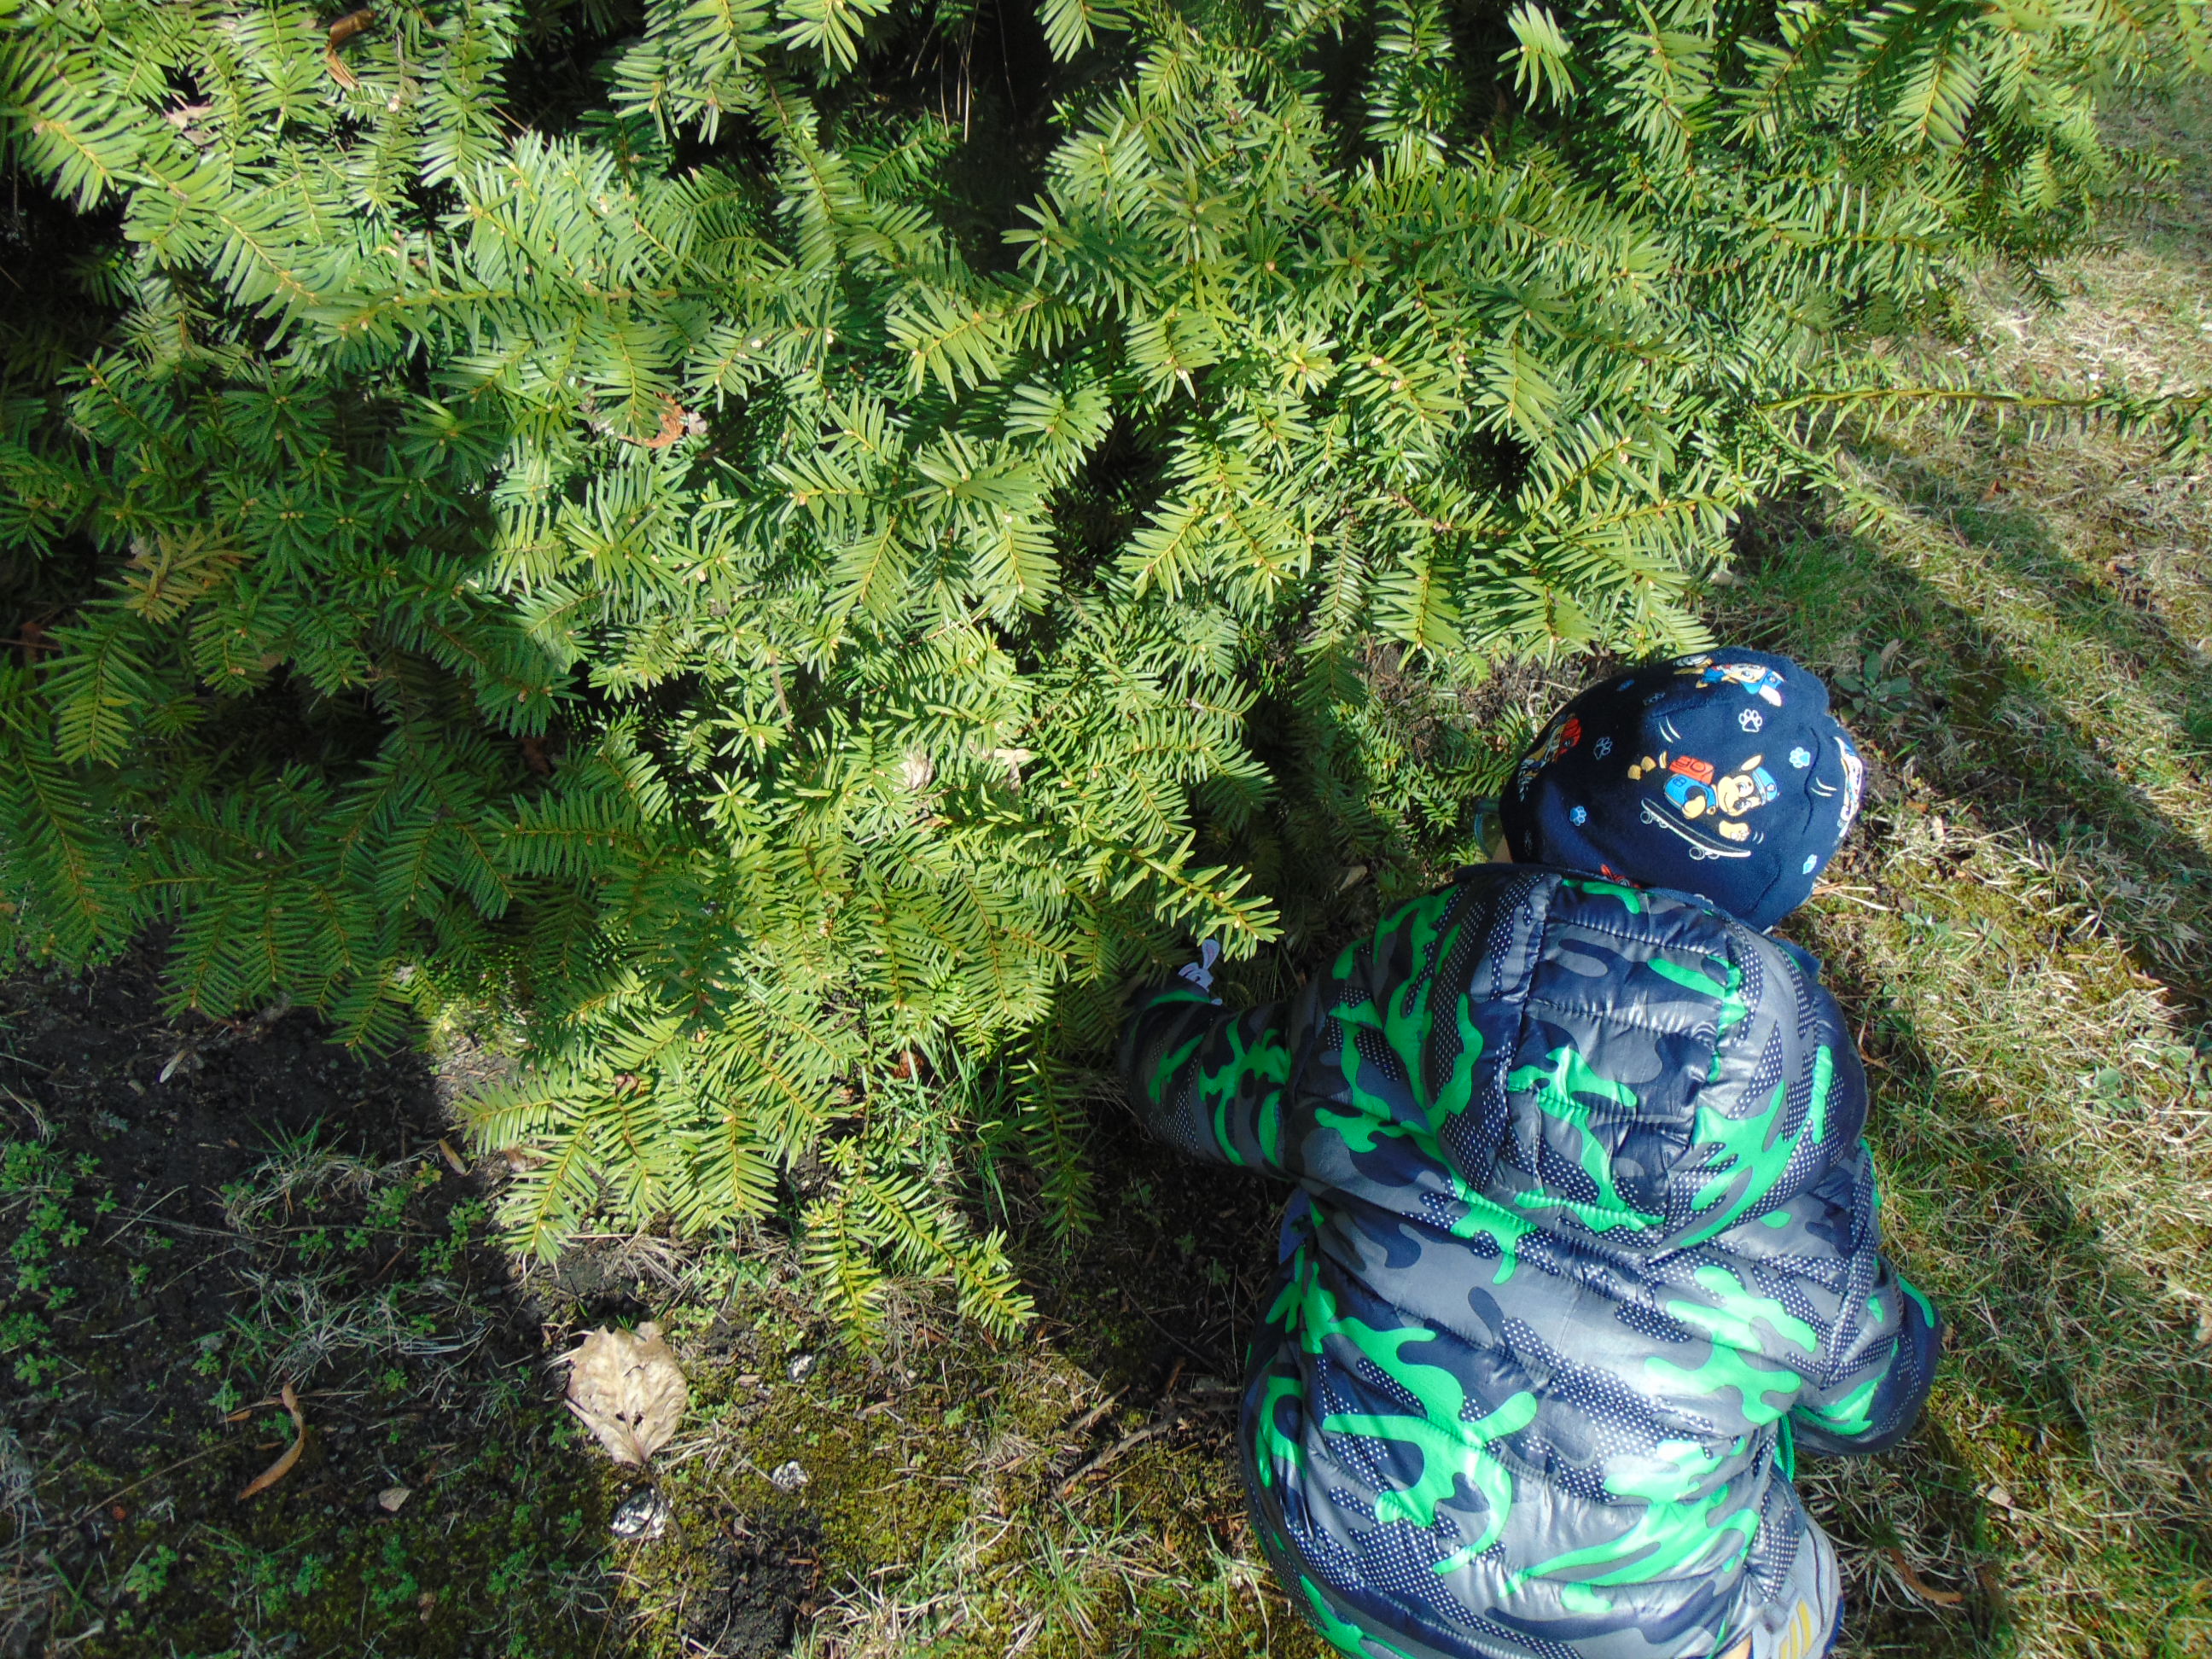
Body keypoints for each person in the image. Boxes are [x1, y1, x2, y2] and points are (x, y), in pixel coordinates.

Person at [1119, 650, 1940, 1659]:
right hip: (1642, 1641)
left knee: (1326, 1159)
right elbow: (1869, 1404)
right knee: (1803, 1574)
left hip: (1334, 1548)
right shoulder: (1802, 1152)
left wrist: (1158, 1009)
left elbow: (1208, 1091)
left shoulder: (1407, 980)